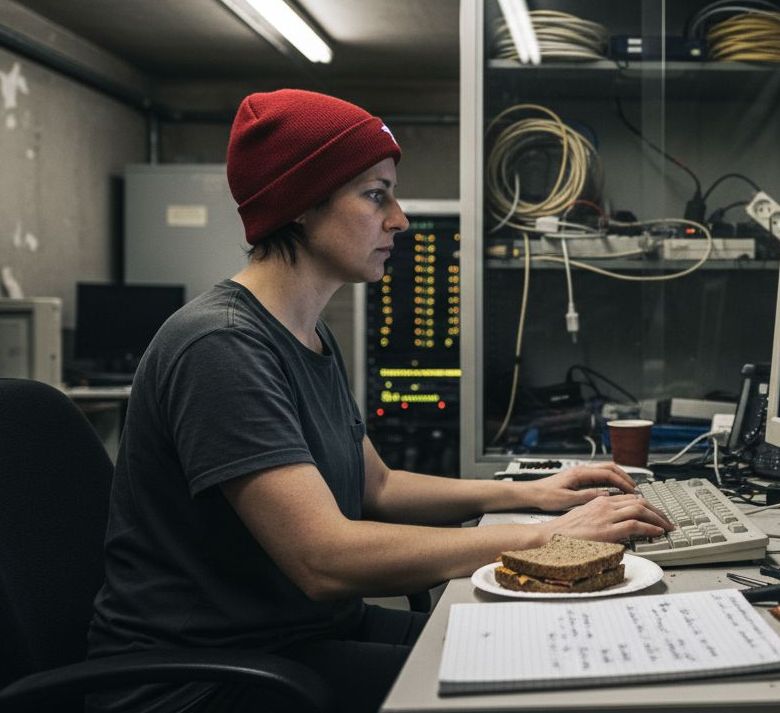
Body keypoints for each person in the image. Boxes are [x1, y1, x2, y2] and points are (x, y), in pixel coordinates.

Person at [86, 89, 674, 713]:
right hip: (204, 679)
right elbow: (325, 559)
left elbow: (380, 486)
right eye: (375, 195)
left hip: (302, 637)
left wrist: (531, 493)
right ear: (300, 204)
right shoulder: (219, 347)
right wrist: (548, 540)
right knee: (531, 688)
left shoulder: (307, 334)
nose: (400, 219)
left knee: (549, 647)